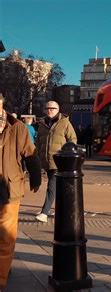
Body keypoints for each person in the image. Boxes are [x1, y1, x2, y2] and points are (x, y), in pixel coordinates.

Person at [0, 94, 41, 290]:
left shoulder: (18, 128)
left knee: (6, 236)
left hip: (10, 188)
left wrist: (36, 177)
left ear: (2, 104)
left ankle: (0, 278)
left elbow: (30, 154)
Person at [35, 101, 77, 223]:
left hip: (59, 160)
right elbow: (39, 141)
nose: (49, 110)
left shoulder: (65, 123)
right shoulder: (42, 124)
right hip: (46, 160)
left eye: (52, 108)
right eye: (47, 108)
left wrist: (66, 154)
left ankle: (44, 212)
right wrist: (38, 153)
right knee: (57, 187)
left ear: (57, 109)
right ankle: (64, 210)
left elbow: (72, 139)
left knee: (51, 186)